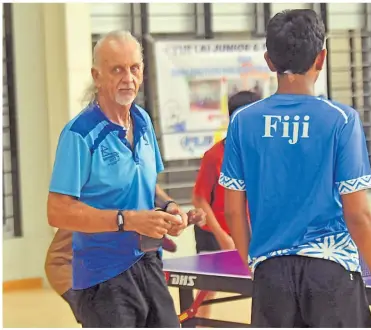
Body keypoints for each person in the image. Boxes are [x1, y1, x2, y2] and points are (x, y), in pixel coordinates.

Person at [219, 9, 371, 328]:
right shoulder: (341, 121)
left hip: (271, 276)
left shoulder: (241, 122)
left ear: (269, 61)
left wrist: (256, 266)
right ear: (322, 58)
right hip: (331, 276)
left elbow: (233, 212)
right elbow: (358, 215)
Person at [47, 30, 193, 328]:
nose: (128, 78)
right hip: (103, 276)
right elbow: (57, 210)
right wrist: (127, 220)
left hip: (149, 262)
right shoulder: (79, 134)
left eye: (134, 68)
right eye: (117, 69)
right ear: (96, 76)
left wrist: (170, 209)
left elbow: (144, 183)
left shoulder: (142, 120)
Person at [45, 210, 206, 324]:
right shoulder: (92, 204)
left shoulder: (140, 190)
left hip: (142, 283)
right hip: (102, 290)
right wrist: (83, 300)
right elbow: (56, 261)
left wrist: (182, 219)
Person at [192, 91, 260, 321]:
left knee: (264, 283)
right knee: (208, 290)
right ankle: (197, 323)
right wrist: (222, 236)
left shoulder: (260, 154)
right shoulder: (214, 156)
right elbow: (200, 199)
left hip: (248, 232)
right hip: (214, 233)